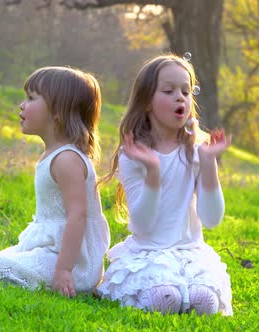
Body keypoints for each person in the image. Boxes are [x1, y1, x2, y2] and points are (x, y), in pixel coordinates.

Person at [96, 54, 233, 316]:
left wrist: (208, 163)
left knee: (205, 303)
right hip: (149, 254)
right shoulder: (134, 155)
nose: (180, 97)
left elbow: (212, 219)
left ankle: (188, 288)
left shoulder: (196, 150)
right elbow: (142, 224)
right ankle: (163, 289)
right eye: (169, 91)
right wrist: (153, 172)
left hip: (190, 253)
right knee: (164, 300)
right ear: (147, 101)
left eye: (185, 91)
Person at [0, 66, 110, 297]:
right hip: (53, 250)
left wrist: (64, 270)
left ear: (58, 111)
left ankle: (77, 284)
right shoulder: (55, 154)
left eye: (31, 98)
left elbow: (78, 216)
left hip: (72, 262)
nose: (22, 105)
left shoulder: (67, 159)